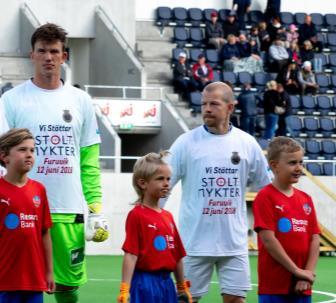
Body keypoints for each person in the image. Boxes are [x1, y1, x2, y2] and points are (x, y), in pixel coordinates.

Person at [1, 23, 109, 303]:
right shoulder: (11, 100)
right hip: (22, 210)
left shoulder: (81, 101)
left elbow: (89, 160)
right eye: (42, 51)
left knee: (67, 287)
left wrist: (95, 207)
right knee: (17, 286)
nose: (48, 57)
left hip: (68, 209)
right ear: (31, 55)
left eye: (54, 51)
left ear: (64, 56)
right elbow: (2, 158)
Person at [163, 82, 272, 303]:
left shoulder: (247, 143)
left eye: (214, 104)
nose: (207, 109)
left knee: (236, 300)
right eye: (204, 104)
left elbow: (267, 189)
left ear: (230, 107)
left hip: (234, 243)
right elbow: (162, 187)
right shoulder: (185, 143)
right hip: (193, 244)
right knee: (184, 300)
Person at [117, 151, 192, 303]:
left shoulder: (168, 217)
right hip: (144, 284)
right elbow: (131, 255)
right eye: (160, 179)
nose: (166, 183)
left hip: (167, 283)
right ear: (142, 183)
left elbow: (176, 255)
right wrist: (125, 289)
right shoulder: (137, 215)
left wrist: (182, 286)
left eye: (168, 179)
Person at [252, 136, 320, 303]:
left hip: (303, 285)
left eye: (300, 162)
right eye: (292, 163)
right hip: (274, 286)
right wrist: (297, 271)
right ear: (275, 166)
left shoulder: (306, 199)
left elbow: (315, 239)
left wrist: (307, 274)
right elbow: (269, 241)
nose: (298, 168)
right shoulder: (265, 197)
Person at [0, 128, 55, 302]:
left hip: (34, 279)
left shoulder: (39, 189)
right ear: (4, 156)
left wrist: (49, 272)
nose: (29, 154)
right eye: (22, 150)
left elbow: (45, 233)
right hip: (5, 280)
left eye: (32, 150)